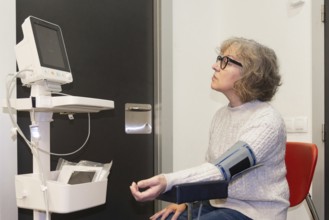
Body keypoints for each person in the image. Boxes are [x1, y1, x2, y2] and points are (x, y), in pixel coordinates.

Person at [130, 37, 289, 220]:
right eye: (219, 59)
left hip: (255, 212)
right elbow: (210, 167)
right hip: (217, 203)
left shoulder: (267, 120)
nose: (215, 66)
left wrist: (168, 181)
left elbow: (221, 170)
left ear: (251, 74)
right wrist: (185, 200)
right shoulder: (221, 115)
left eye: (226, 61)